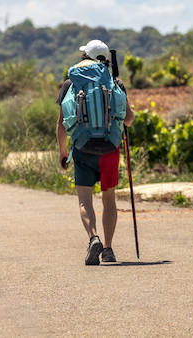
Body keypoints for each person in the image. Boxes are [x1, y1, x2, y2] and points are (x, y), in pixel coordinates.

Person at [56, 39, 134, 265]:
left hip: (82, 147)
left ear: (85, 58)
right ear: (106, 61)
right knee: (108, 199)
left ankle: (93, 238)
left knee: (84, 200)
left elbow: (61, 123)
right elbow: (128, 119)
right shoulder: (115, 83)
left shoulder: (71, 83)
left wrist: (63, 152)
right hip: (109, 148)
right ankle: (108, 249)